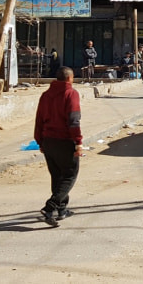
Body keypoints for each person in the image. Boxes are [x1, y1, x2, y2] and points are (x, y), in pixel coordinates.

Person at [33, 66, 83, 226]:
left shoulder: (46, 95)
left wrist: (40, 141)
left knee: (57, 177)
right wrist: (78, 142)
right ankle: (50, 207)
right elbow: (73, 120)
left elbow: (39, 119)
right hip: (64, 140)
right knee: (69, 175)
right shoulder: (71, 94)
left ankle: (62, 209)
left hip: (48, 140)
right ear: (69, 78)